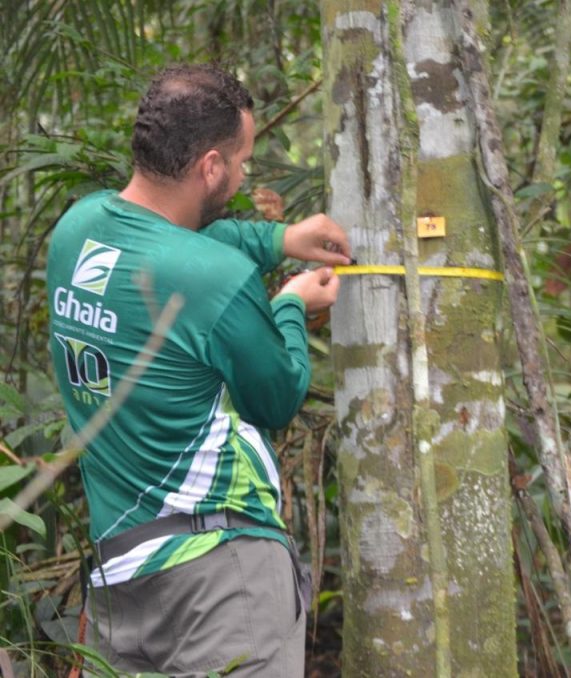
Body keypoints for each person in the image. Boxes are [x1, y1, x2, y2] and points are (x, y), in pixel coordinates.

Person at [46, 64, 351, 676]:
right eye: (241, 161)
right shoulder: (216, 280)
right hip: (219, 575)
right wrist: (290, 305)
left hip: (120, 576)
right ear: (210, 166)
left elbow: (175, 247)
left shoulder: (78, 230)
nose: (242, 175)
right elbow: (276, 397)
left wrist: (280, 238)